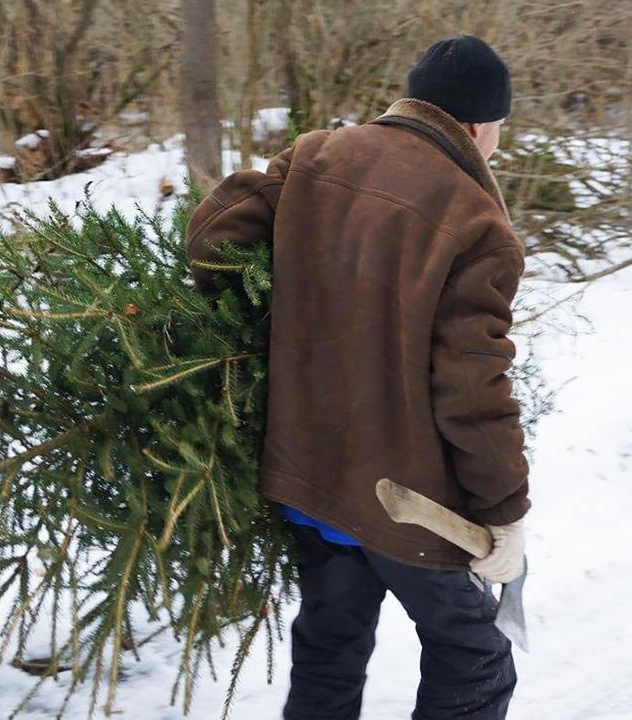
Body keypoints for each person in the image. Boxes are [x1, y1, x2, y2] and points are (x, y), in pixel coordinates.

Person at [185, 35, 529, 720]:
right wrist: (504, 511)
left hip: (310, 477)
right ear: (476, 126)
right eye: (497, 132)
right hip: (405, 502)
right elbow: (470, 387)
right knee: (476, 661)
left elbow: (212, 240)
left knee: (330, 652)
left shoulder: (317, 154)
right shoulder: (477, 220)